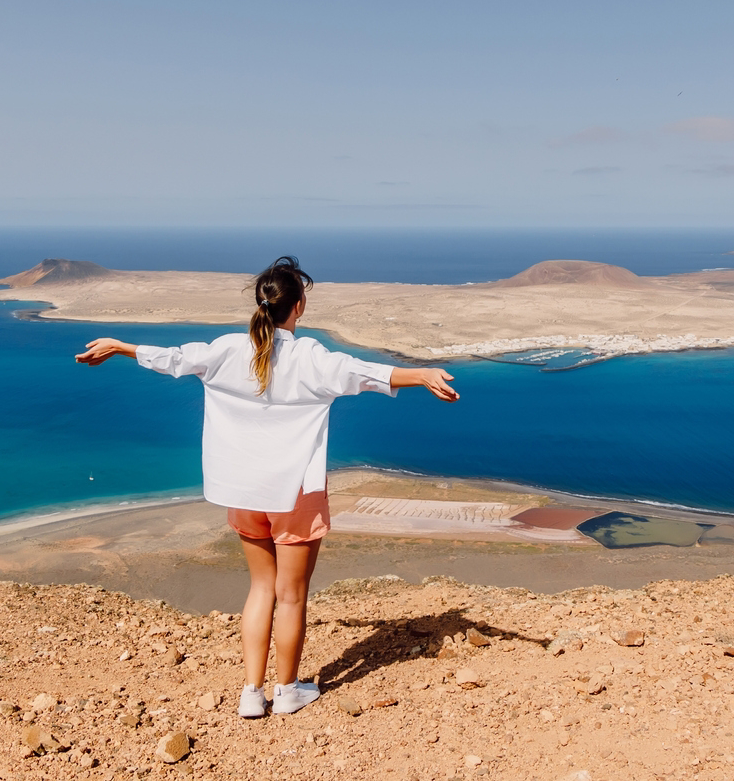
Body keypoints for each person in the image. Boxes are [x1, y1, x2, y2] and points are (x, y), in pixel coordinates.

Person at [75, 256, 458, 717]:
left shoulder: (228, 349)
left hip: (243, 492)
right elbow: (364, 373)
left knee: (261, 589)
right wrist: (424, 375)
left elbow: (174, 359)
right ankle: (288, 691)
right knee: (292, 595)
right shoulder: (309, 356)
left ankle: (251, 694)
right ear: (297, 308)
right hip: (296, 493)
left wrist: (119, 346)